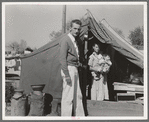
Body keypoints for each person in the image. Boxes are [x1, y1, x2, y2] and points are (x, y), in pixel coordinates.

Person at [59, 19, 85, 116]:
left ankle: (79, 116)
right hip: (68, 69)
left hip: (74, 68)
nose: (76, 31)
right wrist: (67, 75)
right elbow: (62, 59)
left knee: (78, 95)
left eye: (78, 29)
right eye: (74, 28)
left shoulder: (76, 41)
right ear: (70, 28)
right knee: (68, 96)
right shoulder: (65, 40)